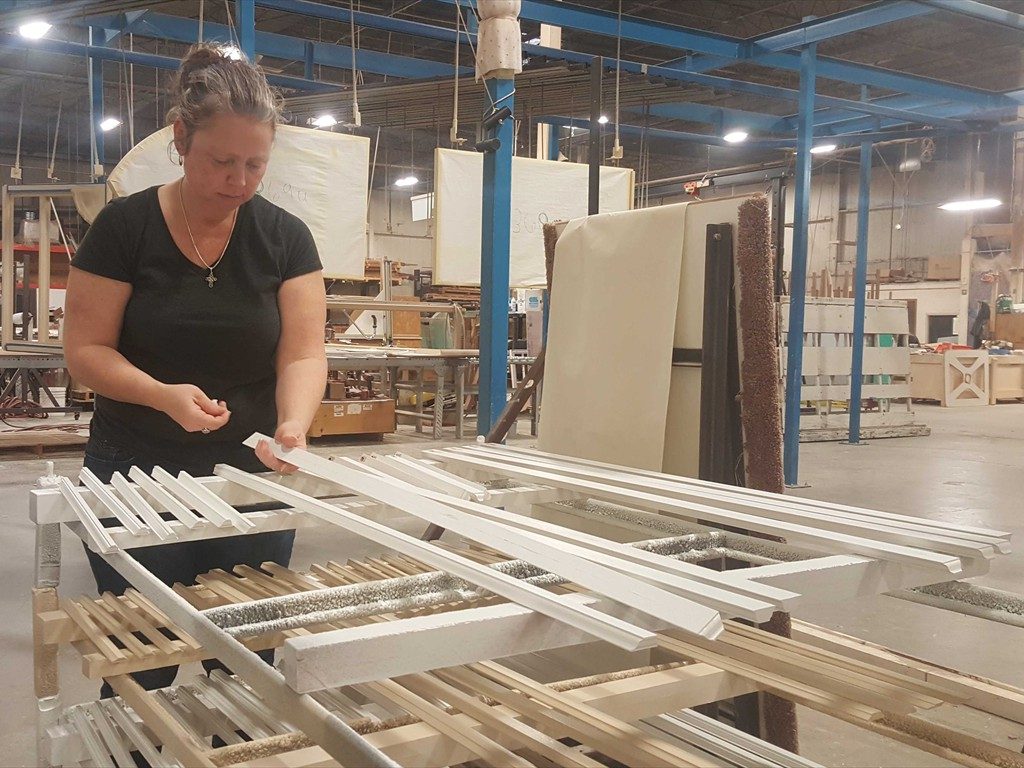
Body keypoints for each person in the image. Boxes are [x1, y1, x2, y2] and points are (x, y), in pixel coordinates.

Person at [64, 44, 327, 695]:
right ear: (180, 140)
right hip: (135, 469)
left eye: (254, 164)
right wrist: (160, 395)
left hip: (250, 473)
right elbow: (86, 351)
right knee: (141, 653)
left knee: (242, 657)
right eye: (222, 161)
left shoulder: (286, 238)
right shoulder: (124, 230)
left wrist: (293, 426)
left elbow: (301, 351)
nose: (239, 180)